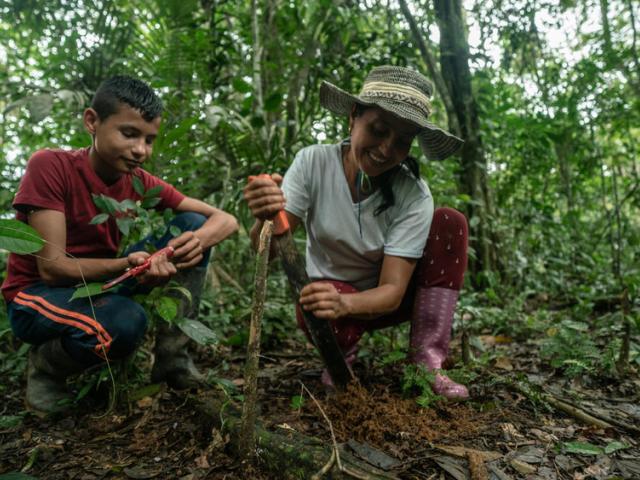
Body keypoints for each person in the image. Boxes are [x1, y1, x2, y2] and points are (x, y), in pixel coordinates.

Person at [1, 76, 239, 414]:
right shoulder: (51, 166)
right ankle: (46, 369)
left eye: (149, 139)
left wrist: (186, 247)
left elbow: (224, 219)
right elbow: (52, 269)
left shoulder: (138, 181)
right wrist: (130, 266)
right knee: (126, 321)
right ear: (92, 122)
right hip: (36, 297)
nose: (141, 150)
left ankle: (173, 363)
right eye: (129, 134)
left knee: (192, 226)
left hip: (99, 284)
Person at [243, 66, 469, 399]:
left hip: (389, 300)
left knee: (450, 222)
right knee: (317, 299)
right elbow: (269, 249)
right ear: (353, 117)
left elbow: (392, 290)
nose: (385, 149)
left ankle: (427, 363)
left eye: (402, 142)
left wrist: (346, 304)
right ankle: (339, 359)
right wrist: (266, 214)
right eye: (378, 130)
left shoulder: (413, 194)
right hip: (328, 301)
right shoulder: (312, 163)